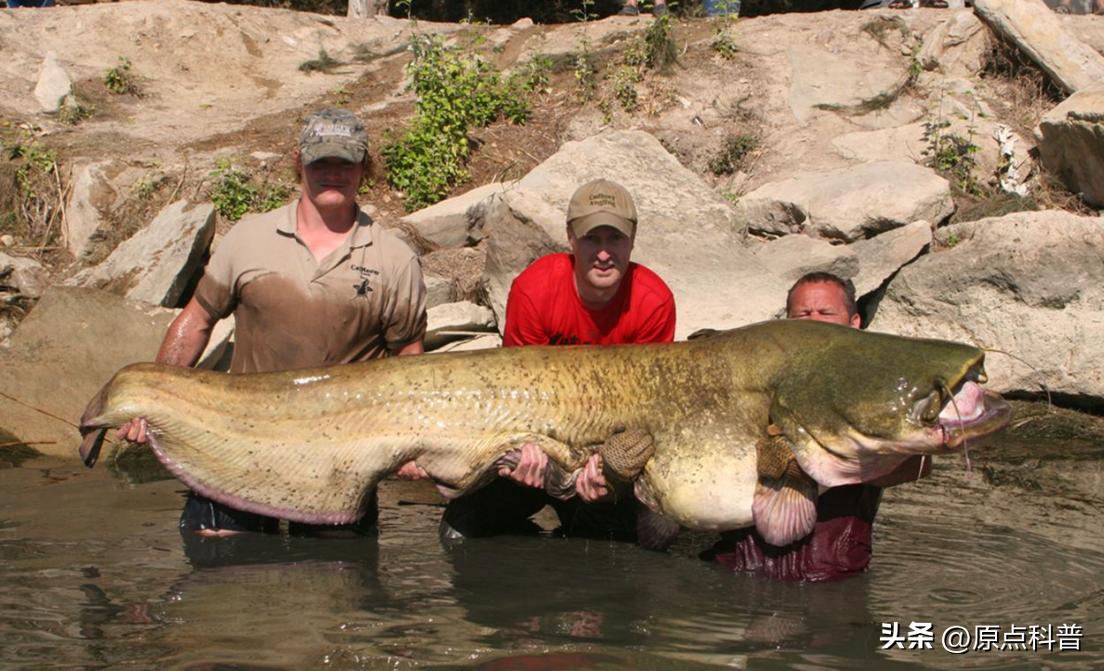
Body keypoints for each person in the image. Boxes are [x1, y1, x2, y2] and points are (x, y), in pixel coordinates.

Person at [119, 108, 427, 539]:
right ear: (299, 162)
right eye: (321, 162)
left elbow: (410, 361)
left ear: (364, 167)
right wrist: (153, 399)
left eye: (346, 163)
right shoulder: (249, 238)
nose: (333, 174)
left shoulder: (394, 258)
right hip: (236, 446)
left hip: (339, 463)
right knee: (216, 564)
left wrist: (411, 443)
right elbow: (197, 319)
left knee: (337, 593)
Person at [440, 178, 676, 542]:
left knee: (640, 545)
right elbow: (515, 396)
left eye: (614, 239)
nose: (603, 253)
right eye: (591, 239)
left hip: (607, 456)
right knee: (459, 531)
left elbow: (648, 412)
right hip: (538, 444)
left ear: (632, 239)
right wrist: (524, 454)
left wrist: (606, 470)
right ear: (570, 238)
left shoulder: (653, 302)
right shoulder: (534, 290)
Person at [700, 271, 931, 581]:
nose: (814, 322)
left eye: (826, 313)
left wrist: (831, 463)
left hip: (832, 576)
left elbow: (920, 463)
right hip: (739, 567)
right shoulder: (749, 382)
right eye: (803, 315)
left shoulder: (877, 389)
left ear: (854, 323)